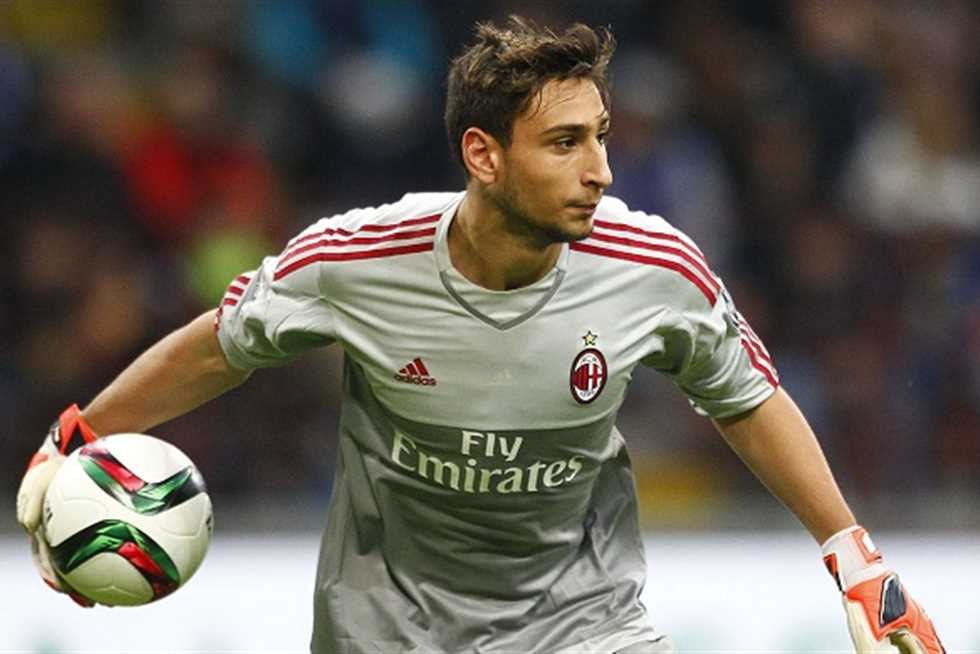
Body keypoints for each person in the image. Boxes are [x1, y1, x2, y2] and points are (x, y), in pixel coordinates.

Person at [17, 16, 944, 654]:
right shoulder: (354, 259)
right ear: (482, 155)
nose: (601, 170)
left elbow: (747, 399)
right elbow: (218, 345)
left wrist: (853, 558)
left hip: (586, 625)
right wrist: (78, 434)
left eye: (601, 136)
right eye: (566, 143)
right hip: (387, 635)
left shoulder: (654, 266)